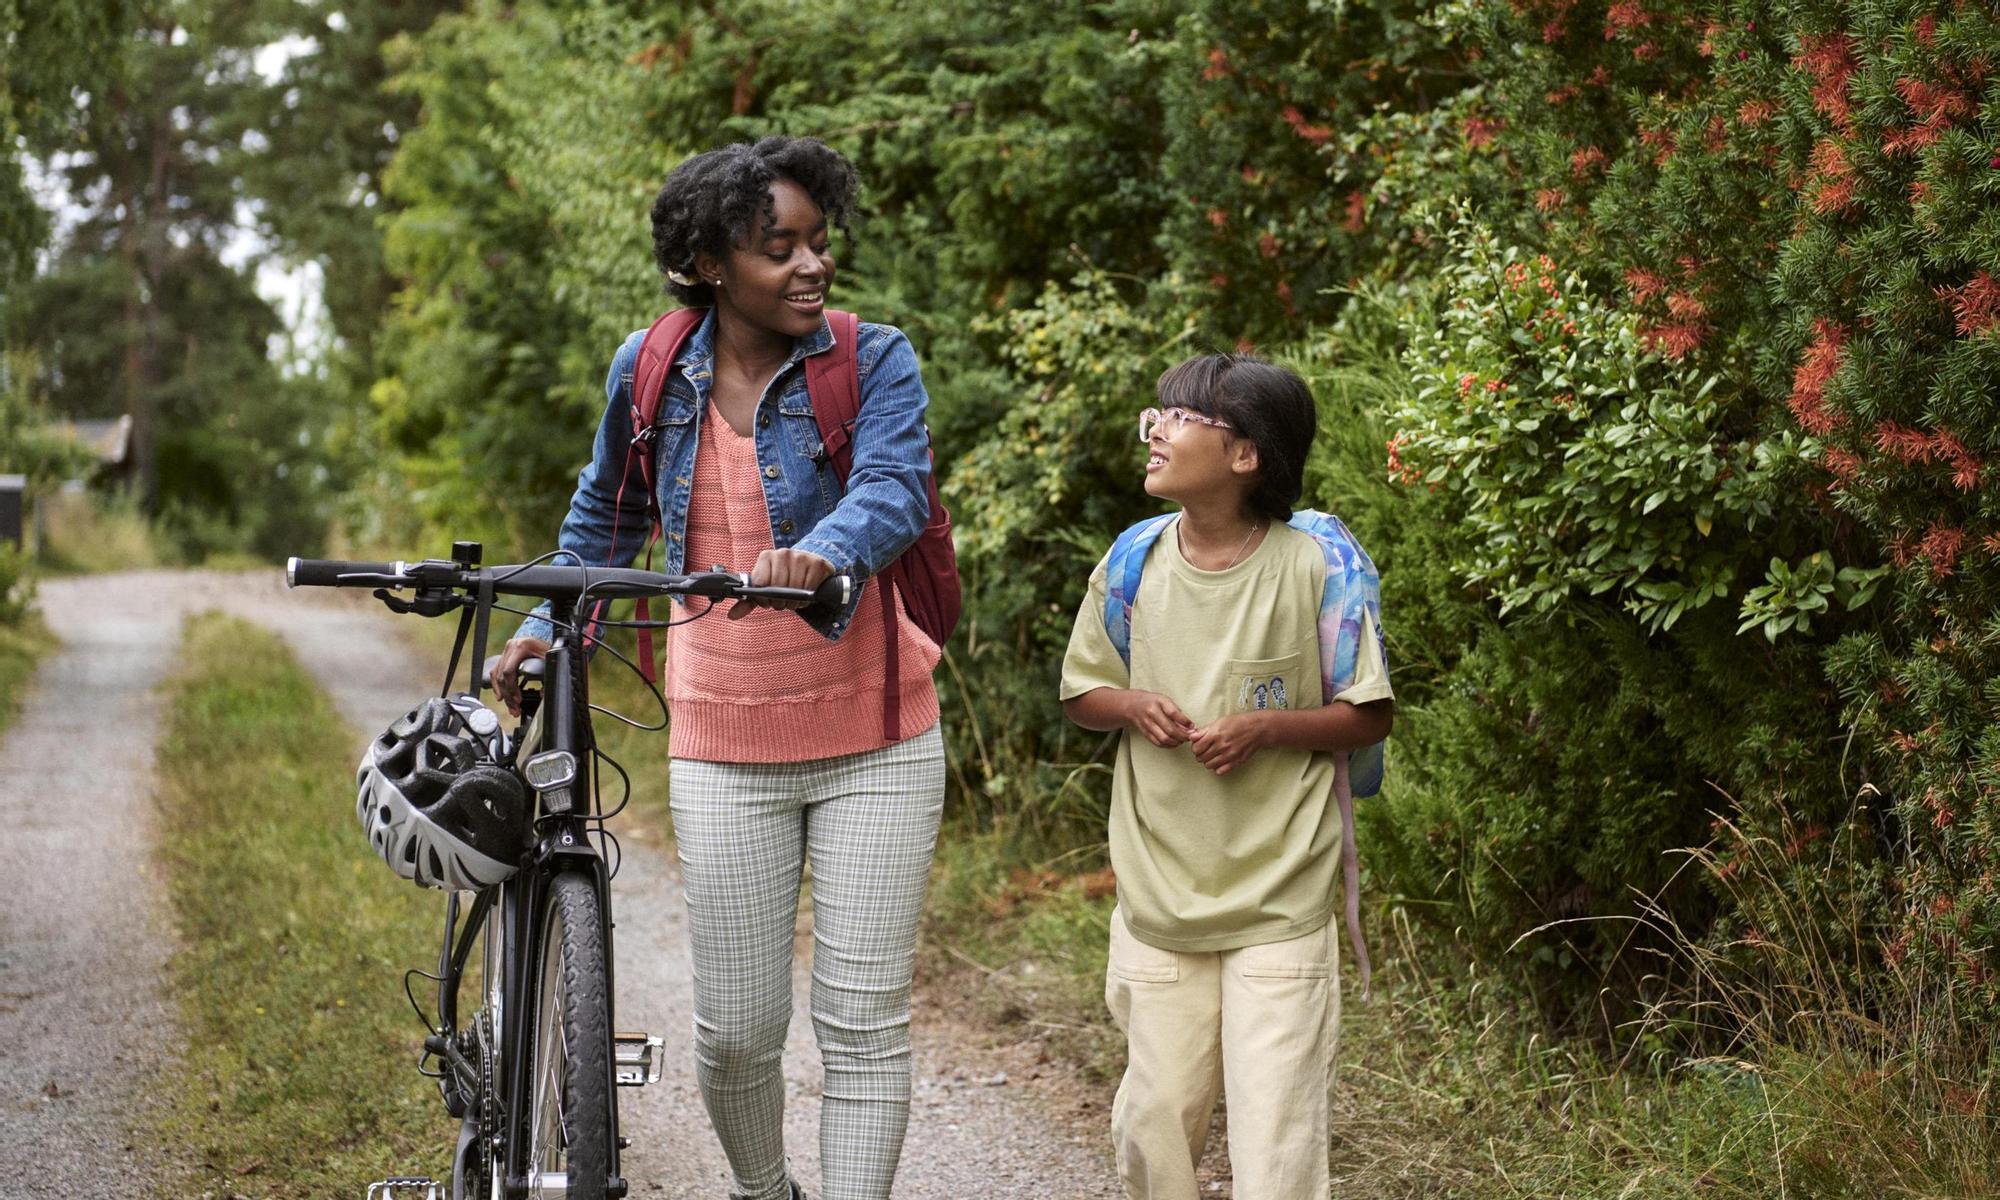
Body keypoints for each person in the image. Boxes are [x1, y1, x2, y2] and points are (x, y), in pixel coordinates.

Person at [493, 136, 945, 1200]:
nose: (808, 266)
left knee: (861, 1020)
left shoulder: (871, 360)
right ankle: (762, 1190)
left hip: (877, 735)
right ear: (706, 262)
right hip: (722, 739)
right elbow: (605, 515)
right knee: (737, 1032)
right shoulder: (651, 369)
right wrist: (547, 626)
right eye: (774, 246)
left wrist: (825, 550)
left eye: (817, 243)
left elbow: (892, 489)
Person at [1058, 354, 1394, 1198]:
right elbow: (1082, 693)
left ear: (1246, 455)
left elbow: (1370, 713)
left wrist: (1268, 727)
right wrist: (1132, 707)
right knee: (1155, 1126)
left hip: (1282, 896)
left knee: (1278, 1142)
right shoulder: (1133, 560)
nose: (1157, 429)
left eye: (1179, 417)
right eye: (1157, 414)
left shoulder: (1316, 568)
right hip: (1160, 895)